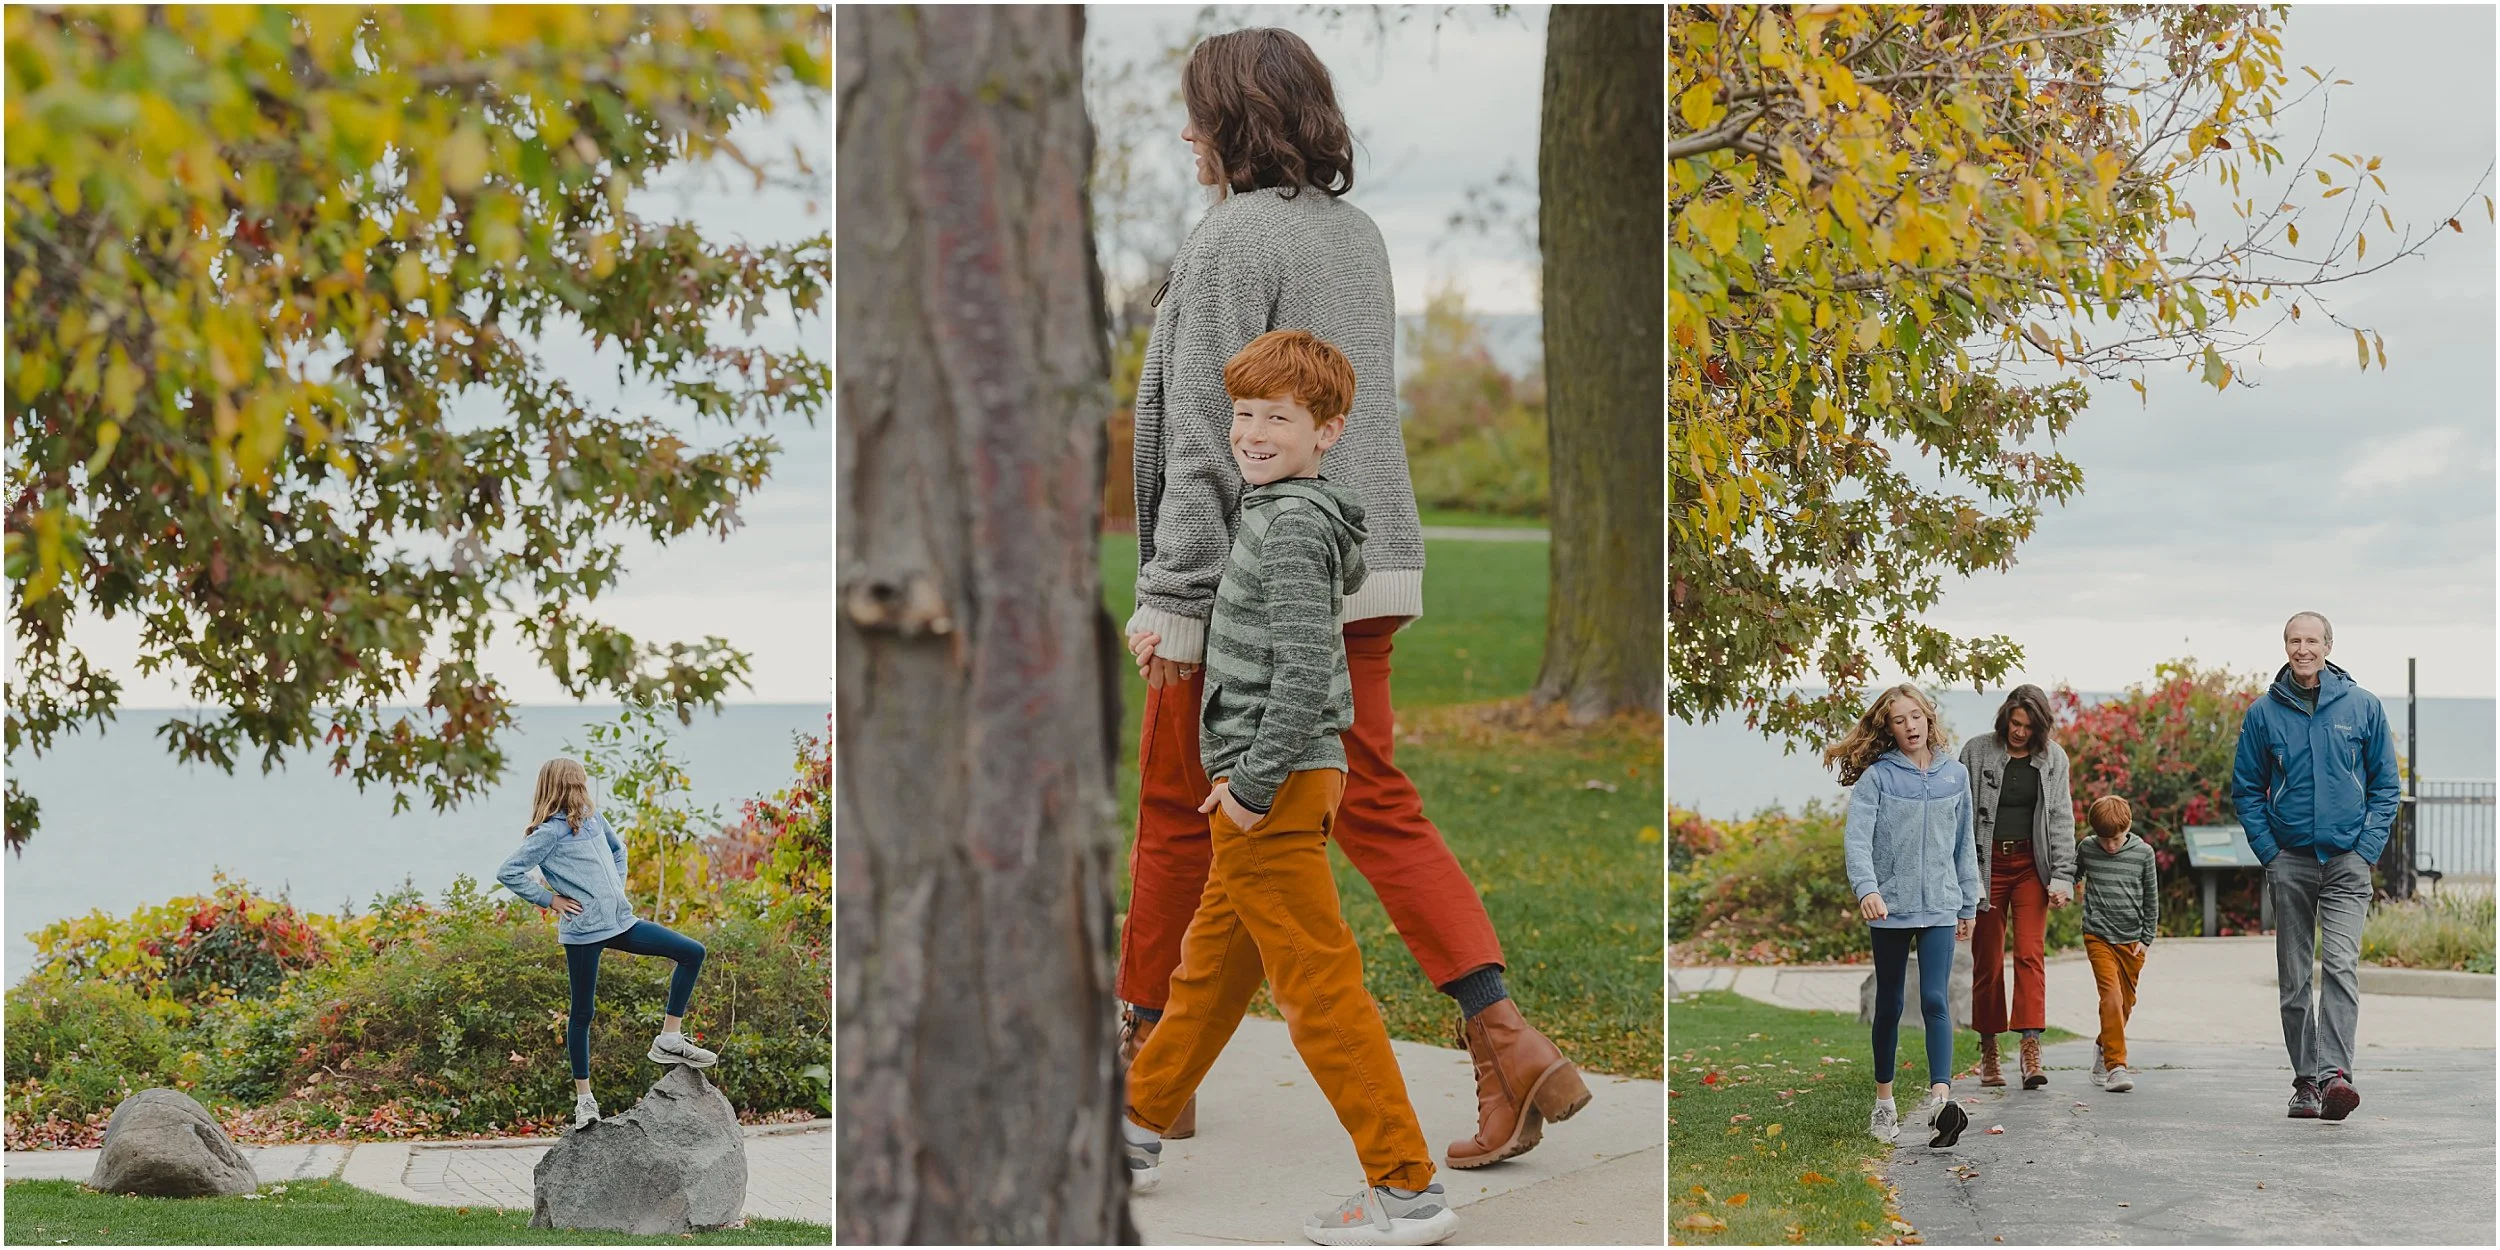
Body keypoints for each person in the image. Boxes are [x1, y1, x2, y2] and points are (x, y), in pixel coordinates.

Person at [1118, 23, 1584, 1168]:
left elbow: (1209, 438)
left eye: (1194, 111)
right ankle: (1505, 1038)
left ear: (1231, 117)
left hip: (1248, 582)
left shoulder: (1231, 238)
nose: (1183, 132)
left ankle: (1142, 1065)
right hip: (1363, 562)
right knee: (1371, 797)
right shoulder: (1359, 232)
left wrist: (1176, 601)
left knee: (1179, 807)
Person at [1120, 330, 1456, 1247]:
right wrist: (1167, 642)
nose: (1254, 432)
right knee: (1208, 973)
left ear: (1329, 431)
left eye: (1279, 417)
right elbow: (1263, 637)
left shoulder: (1297, 524)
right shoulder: (1275, 509)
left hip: (1275, 783)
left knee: (1320, 991)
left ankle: (1407, 1190)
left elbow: (1309, 672)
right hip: (1264, 784)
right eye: (1243, 413)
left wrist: (1254, 788)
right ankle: (1132, 1130)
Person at [2230, 611, 2400, 1122]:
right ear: (2285, 646)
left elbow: (2385, 787)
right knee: (2295, 976)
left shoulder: (2362, 706)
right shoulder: (2263, 713)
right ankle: (2305, 1082)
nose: (2303, 649)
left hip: (2349, 861)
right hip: (2292, 862)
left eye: (2312, 640)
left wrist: (2367, 848)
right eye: (2294, 640)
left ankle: (2335, 1077)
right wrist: (2271, 853)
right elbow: (2247, 790)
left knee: (2342, 966)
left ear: (2328, 645)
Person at [495, 758, 716, 1130]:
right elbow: (509, 872)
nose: (584, 787)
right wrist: (551, 900)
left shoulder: (594, 819)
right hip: (582, 932)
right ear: (565, 785)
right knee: (583, 1012)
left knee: (692, 952)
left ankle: (669, 1038)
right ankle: (585, 1101)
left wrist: (616, 888)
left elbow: (619, 851)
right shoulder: (548, 832)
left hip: (620, 922)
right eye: (579, 781)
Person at [1827, 684, 1979, 1150]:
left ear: (1928, 719)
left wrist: (1968, 902)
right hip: (1889, 907)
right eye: (1899, 720)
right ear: (1887, 728)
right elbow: (1857, 840)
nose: (1910, 726)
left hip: (1939, 905)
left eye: (1915, 716)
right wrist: (1867, 889)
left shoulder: (1955, 776)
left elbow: (1963, 844)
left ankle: (1940, 1103)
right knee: (1890, 1003)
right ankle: (1884, 1104)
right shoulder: (1879, 778)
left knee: (1935, 998)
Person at [1957, 685, 2077, 1090]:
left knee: (2030, 953)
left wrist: (2062, 876)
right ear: (2004, 717)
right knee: (1987, 959)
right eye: (2014, 722)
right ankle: (1989, 1047)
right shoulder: (1975, 752)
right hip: (1985, 868)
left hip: (2030, 866)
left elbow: (2061, 817)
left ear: (2040, 727)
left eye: (2028, 726)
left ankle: (2030, 1045)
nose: (2019, 732)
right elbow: (1958, 819)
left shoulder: (2053, 759)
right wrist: (1961, 882)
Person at [2074, 795, 2158, 1094]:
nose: (2110, 845)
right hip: (2098, 936)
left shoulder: (2143, 853)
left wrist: (2146, 939)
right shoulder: (2087, 848)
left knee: (2124, 1006)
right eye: (2104, 838)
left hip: (2132, 941)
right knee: (2110, 998)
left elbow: (2151, 898)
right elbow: (2075, 874)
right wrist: (2061, 886)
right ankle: (2116, 1067)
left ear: (2128, 827)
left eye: (2116, 838)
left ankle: (2102, 1045)